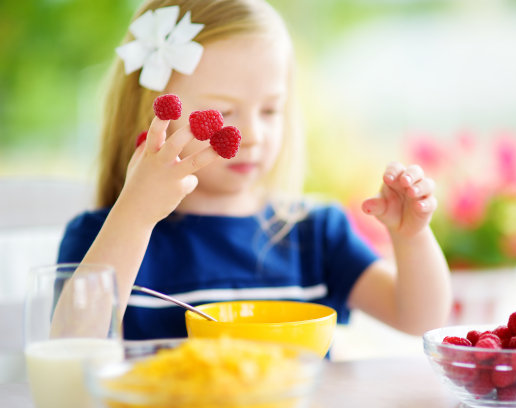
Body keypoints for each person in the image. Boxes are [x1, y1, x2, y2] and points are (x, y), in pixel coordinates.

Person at [57, 0, 452, 341]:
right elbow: (71, 346)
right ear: (155, 114)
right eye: (225, 113)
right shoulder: (103, 236)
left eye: (269, 110)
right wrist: (136, 216)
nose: (253, 135)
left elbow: (420, 319)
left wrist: (412, 239)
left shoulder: (315, 233)